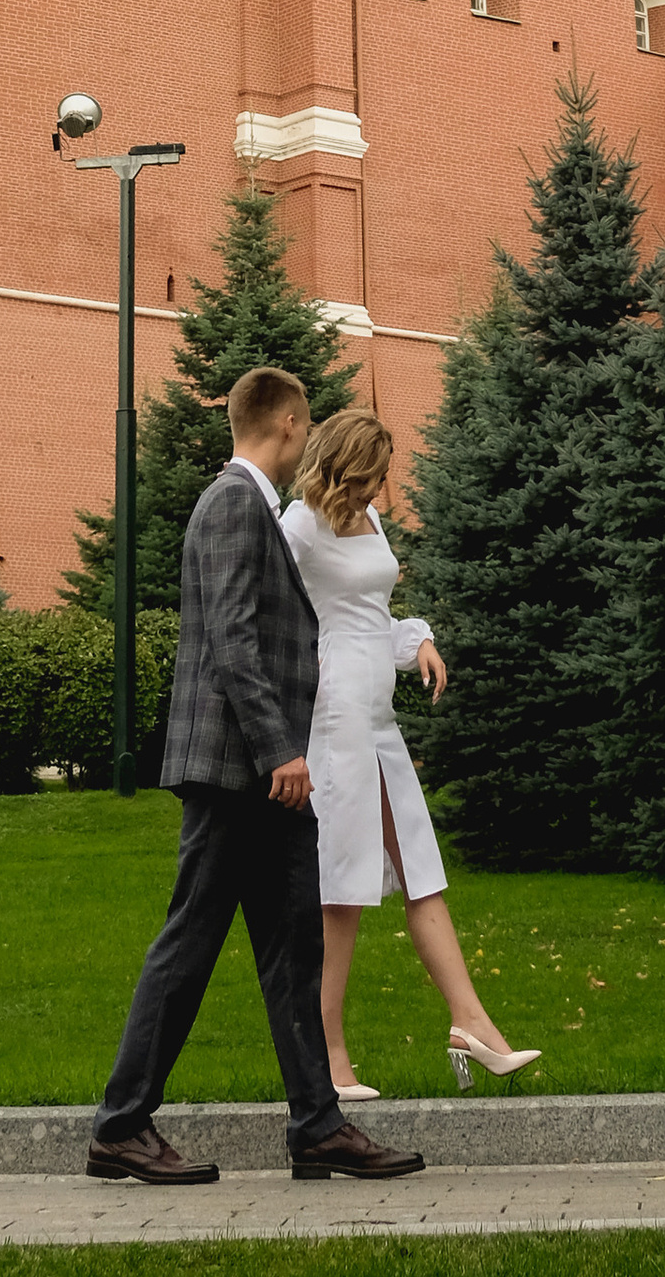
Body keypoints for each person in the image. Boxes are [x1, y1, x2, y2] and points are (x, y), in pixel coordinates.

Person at [88, 365, 426, 1187]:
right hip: (239, 771)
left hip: (266, 779)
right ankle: (120, 1127)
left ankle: (318, 1127)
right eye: (305, 424)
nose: (307, 437)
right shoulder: (235, 503)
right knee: (190, 944)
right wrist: (281, 749)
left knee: (292, 948)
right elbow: (233, 641)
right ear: (287, 423)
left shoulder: (250, 506)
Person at [281, 404, 541, 1098]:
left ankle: (471, 1023)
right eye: (370, 475)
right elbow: (273, 609)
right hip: (333, 720)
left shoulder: (369, 519)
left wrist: (415, 640)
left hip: (377, 718)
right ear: (342, 467)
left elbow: (373, 616)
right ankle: (327, 1057)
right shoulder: (300, 525)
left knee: (422, 871)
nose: (379, 488)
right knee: (342, 891)